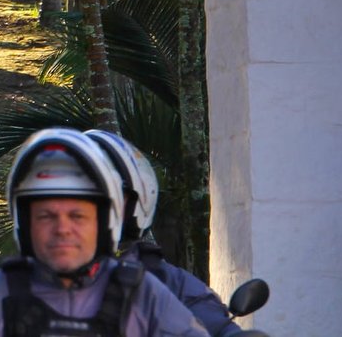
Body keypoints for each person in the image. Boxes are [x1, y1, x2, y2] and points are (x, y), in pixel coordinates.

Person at [0, 127, 205, 337]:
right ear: (25, 223)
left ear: (104, 222)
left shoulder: (144, 296)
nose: (63, 229)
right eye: (46, 216)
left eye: (77, 216)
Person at [86, 129, 248, 337]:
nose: (67, 224)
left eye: (102, 201)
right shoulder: (32, 281)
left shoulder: (166, 280)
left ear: (132, 206)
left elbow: (209, 318)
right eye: (50, 211)